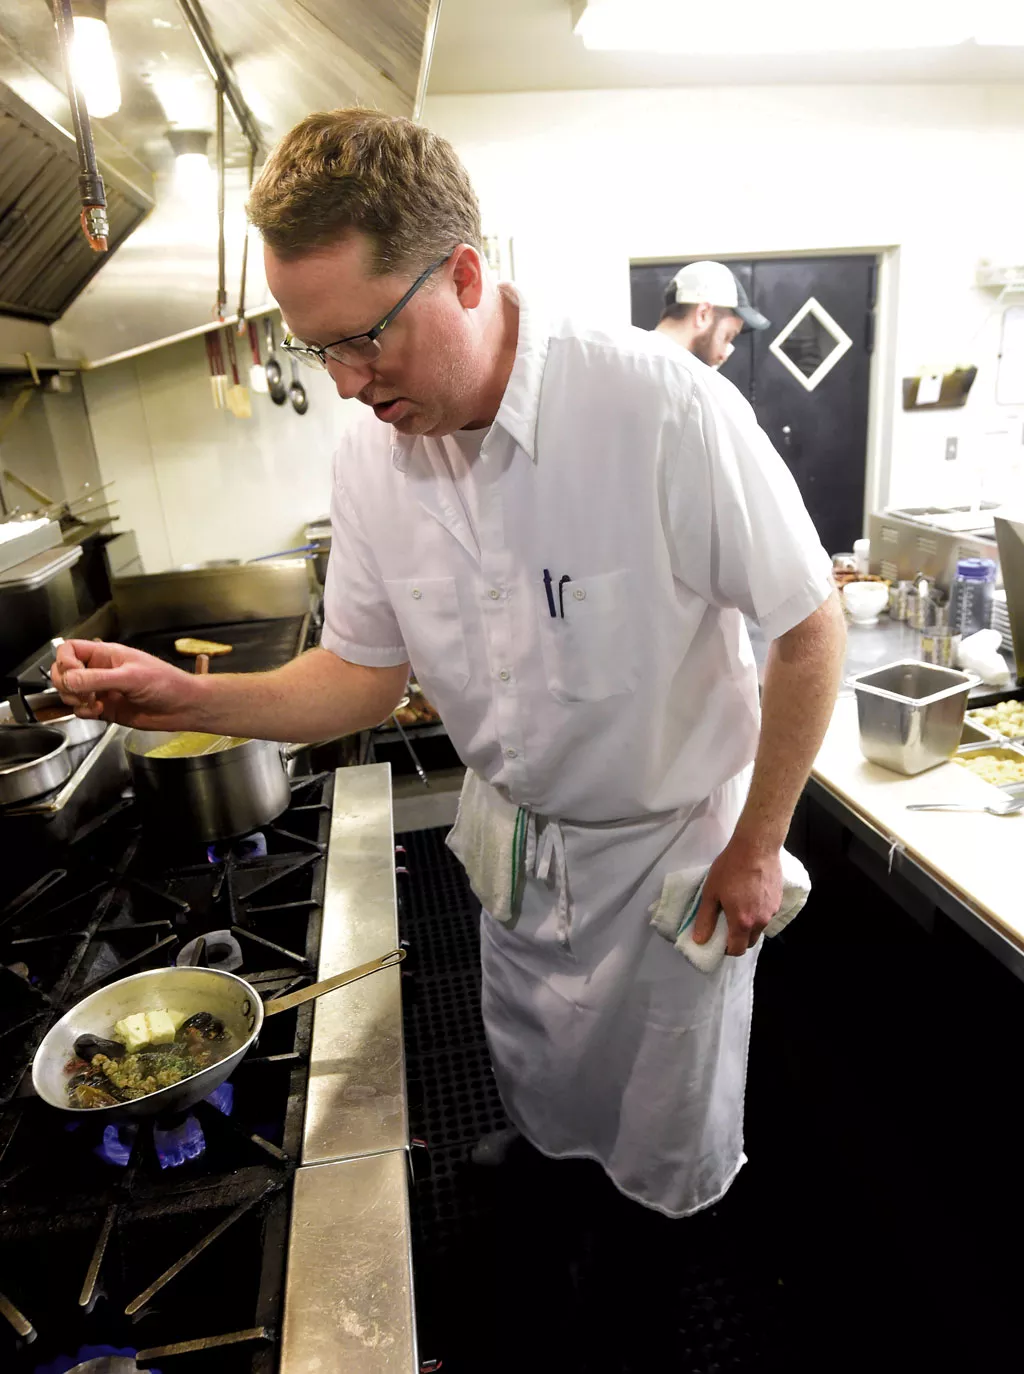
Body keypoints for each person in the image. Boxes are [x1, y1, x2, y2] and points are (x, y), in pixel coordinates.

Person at [53, 109, 846, 1220]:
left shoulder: (660, 409)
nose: (343, 381)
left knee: (665, 1156)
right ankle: (551, 1197)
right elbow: (362, 676)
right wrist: (185, 697)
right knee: (540, 1097)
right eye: (315, 344)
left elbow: (808, 629)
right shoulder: (372, 452)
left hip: (667, 864)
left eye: (365, 337)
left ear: (465, 275)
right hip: (518, 851)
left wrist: (759, 845)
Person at [655, 259, 770, 368]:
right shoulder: (675, 380)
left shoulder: (642, 360)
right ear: (703, 314)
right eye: (727, 337)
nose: (723, 356)